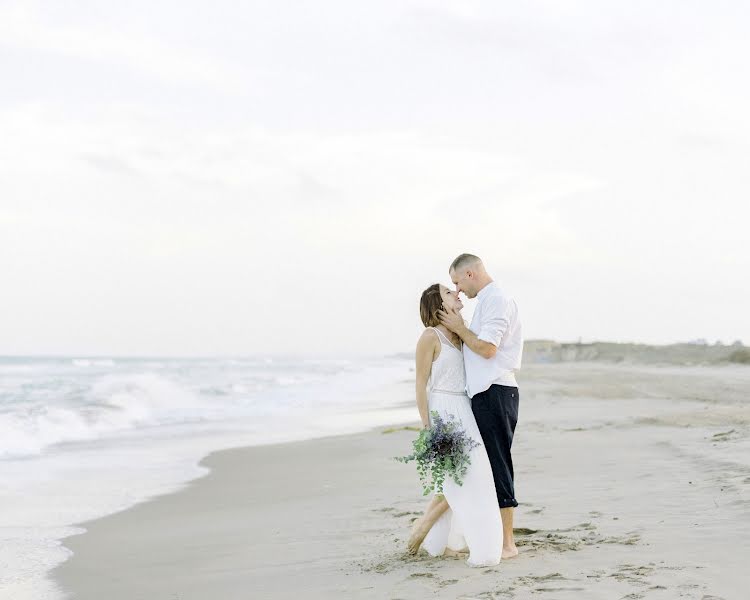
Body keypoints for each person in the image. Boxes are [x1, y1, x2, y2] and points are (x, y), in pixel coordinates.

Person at [407, 283, 502, 567]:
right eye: (449, 292)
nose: (456, 294)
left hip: (465, 409)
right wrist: (427, 426)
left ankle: (445, 543)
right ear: (437, 303)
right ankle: (424, 537)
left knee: (473, 476)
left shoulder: (462, 333)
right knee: (453, 480)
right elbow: (421, 384)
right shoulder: (429, 336)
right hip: (443, 411)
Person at [438, 253, 523, 559]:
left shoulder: (496, 299)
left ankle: (507, 544)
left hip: (495, 392)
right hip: (488, 393)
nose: (457, 290)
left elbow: (487, 348)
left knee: (498, 465)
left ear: (471, 274)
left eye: (457, 281)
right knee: (486, 467)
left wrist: (460, 328)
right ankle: (494, 537)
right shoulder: (487, 302)